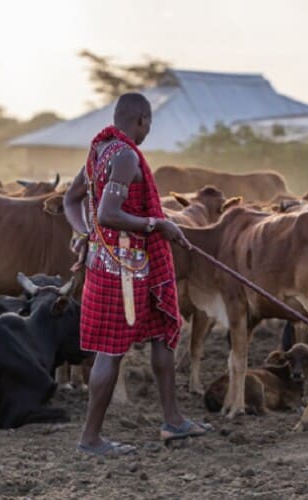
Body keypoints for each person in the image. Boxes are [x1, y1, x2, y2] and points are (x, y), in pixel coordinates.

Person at [63, 92, 212, 456]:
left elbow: (71, 200)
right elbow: (108, 214)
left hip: (119, 264)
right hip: (123, 271)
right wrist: (157, 224)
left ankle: (173, 420)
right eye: (149, 125)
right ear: (142, 120)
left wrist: (85, 234)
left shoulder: (98, 153)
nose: (147, 133)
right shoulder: (126, 156)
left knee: (163, 331)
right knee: (110, 352)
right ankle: (90, 439)